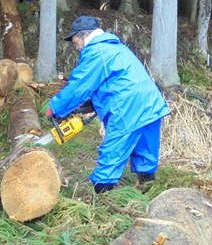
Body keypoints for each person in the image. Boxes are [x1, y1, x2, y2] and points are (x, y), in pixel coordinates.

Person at [46, 15, 171, 193]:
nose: (77, 47)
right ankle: (148, 191)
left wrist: (56, 108)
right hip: (149, 103)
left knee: (112, 153)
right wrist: (92, 103)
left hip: (128, 107)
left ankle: (102, 194)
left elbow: (79, 86)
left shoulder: (96, 51)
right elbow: (113, 80)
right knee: (145, 151)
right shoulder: (115, 48)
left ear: (85, 35)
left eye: (76, 43)